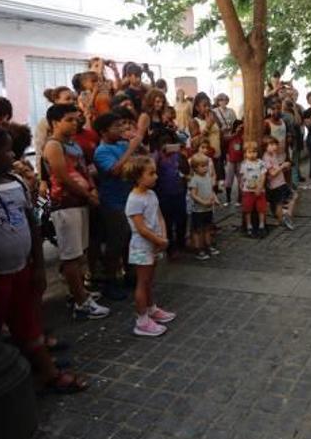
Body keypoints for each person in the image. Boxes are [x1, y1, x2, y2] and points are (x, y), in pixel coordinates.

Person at [0, 126, 87, 393]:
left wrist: (37, 264)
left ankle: (48, 372)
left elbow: (31, 224)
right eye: (6, 150)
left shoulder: (15, 183)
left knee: (28, 321)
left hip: (21, 268)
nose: (12, 155)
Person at [42, 103, 110, 320]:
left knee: (79, 252)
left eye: (76, 119)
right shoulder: (53, 145)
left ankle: (80, 292)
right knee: (70, 255)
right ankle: (80, 302)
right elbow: (62, 177)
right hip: (65, 204)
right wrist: (88, 194)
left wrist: (92, 190)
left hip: (80, 202)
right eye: (69, 119)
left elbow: (83, 169)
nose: (75, 123)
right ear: (55, 122)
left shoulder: (71, 143)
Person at [123, 155, 176, 337]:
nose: (156, 177)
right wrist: (159, 240)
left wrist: (163, 235)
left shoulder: (151, 194)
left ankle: (151, 309)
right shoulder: (134, 200)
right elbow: (141, 229)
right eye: (151, 173)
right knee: (142, 282)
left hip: (153, 244)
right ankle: (142, 320)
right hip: (141, 246)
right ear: (138, 177)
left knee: (149, 281)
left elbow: (159, 216)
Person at [93, 110, 142, 298]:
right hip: (113, 202)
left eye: (122, 125)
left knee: (130, 239)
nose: (120, 129)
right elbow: (114, 170)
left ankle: (130, 275)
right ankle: (110, 281)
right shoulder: (102, 151)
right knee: (116, 241)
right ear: (104, 132)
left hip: (129, 199)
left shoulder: (122, 144)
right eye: (116, 127)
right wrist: (131, 149)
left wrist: (136, 143)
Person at [151, 128, 189, 259]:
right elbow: (152, 169)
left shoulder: (177, 155)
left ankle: (181, 243)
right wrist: (159, 154)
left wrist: (182, 152)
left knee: (181, 219)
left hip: (179, 192)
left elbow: (186, 169)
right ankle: (170, 248)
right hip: (164, 194)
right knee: (167, 221)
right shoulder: (156, 156)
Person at [189, 154, 220, 261]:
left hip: (208, 209)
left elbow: (211, 190)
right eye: (202, 166)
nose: (205, 168)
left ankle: (208, 245)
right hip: (198, 210)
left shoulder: (207, 177)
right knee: (197, 230)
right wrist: (203, 202)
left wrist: (215, 199)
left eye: (206, 165)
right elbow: (193, 195)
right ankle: (198, 249)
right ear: (195, 168)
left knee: (207, 228)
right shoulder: (195, 180)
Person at [263, 136, 296, 230]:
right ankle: (283, 218)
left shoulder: (273, 155)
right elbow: (272, 173)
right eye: (271, 145)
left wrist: (284, 166)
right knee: (280, 202)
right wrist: (282, 167)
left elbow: (276, 169)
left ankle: (284, 217)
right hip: (275, 184)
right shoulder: (266, 158)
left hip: (280, 182)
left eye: (275, 144)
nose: (274, 147)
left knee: (288, 198)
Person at [240, 140, 268, 238]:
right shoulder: (244, 164)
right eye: (250, 152)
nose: (252, 154)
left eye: (254, 152)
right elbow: (242, 176)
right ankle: (249, 226)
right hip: (248, 190)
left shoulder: (261, 163)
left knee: (261, 209)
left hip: (259, 190)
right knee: (248, 209)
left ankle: (261, 226)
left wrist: (260, 187)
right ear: (246, 153)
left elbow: (263, 175)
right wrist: (241, 186)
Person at [224, 120, 245, 205]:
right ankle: (228, 199)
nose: (240, 128)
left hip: (240, 161)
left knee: (241, 181)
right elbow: (225, 139)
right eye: (239, 126)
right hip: (231, 161)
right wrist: (236, 133)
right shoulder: (231, 135)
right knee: (228, 181)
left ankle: (239, 200)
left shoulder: (244, 135)